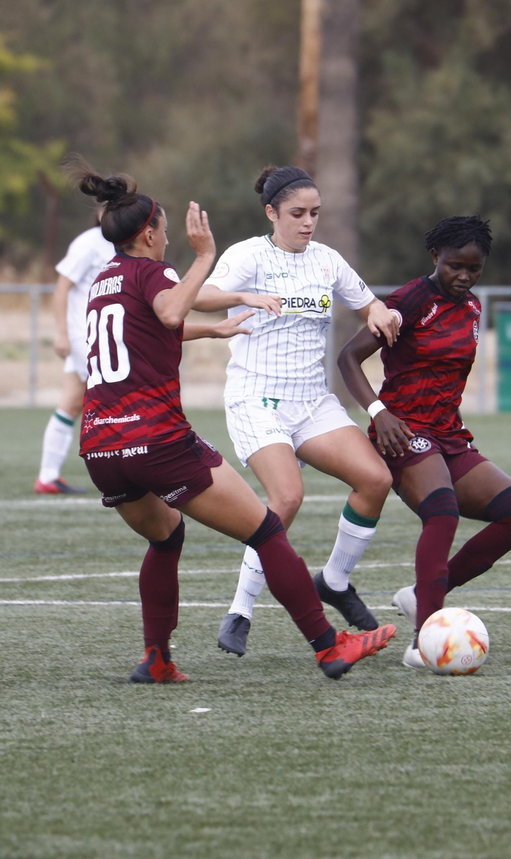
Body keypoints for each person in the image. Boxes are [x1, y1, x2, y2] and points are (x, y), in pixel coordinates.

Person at [68, 160, 394, 682]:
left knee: (166, 538)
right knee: (268, 530)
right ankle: (330, 646)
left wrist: (213, 333)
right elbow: (174, 311)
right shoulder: (157, 271)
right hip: (155, 439)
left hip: (101, 446)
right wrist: (204, 256)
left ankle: (157, 658)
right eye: (167, 231)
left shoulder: (104, 283)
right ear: (148, 233)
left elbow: (148, 331)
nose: (169, 239)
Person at [192, 165, 402, 657]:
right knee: (286, 497)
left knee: (376, 480)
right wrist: (242, 296)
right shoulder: (248, 255)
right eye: (297, 214)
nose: (308, 223)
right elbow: (196, 297)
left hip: (312, 402)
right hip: (257, 397)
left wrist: (380, 312)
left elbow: (369, 303)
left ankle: (334, 580)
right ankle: (240, 612)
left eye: (315, 214)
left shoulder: (326, 261)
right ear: (271, 213)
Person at [336, 216, 511, 668]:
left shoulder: (472, 308)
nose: (464, 277)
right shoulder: (409, 300)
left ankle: (425, 593)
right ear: (435, 258)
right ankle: (423, 642)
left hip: (449, 434)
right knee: (442, 511)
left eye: (474, 269)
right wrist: (378, 413)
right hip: (402, 430)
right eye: (454, 266)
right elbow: (349, 358)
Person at [34, 209, 117, 493]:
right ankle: (121, 473)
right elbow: (61, 289)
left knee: (71, 403)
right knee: (114, 399)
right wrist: (62, 334)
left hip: (105, 338)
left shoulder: (124, 244)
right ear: (100, 211)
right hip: (87, 338)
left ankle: (47, 477)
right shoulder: (89, 242)